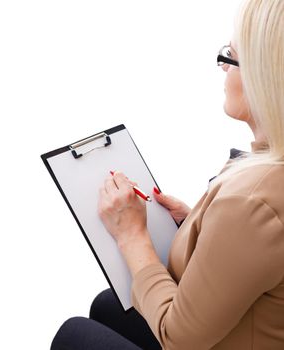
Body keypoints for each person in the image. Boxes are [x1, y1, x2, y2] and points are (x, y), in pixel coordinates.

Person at [51, 0, 284, 349]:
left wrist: (133, 235)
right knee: (108, 306)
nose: (222, 67)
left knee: (73, 336)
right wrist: (201, 225)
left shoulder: (250, 201)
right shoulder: (267, 174)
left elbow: (179, 340)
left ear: (265, 76)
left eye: (231, 56)